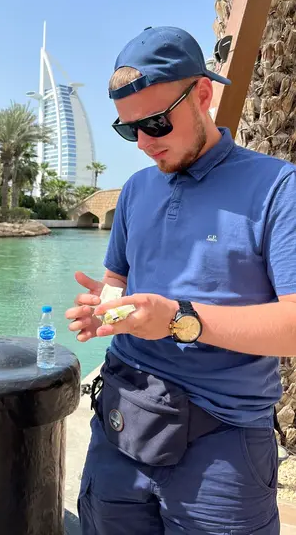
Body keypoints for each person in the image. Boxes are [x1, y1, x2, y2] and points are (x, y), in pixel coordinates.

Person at [65, 26, 296, 534]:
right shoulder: (134, 191)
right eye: (129, 130)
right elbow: (117, 279)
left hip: (224, 440)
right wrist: (106, 309)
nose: (145, 143)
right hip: (123, 417)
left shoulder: (278, 188)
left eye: (155, 123)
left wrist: (178, 320)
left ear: (203, 95)